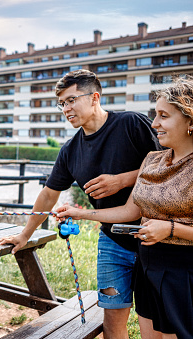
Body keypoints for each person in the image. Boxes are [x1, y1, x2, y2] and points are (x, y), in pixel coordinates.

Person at [0, 69, 161, 338]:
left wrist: (122, 180)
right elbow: (49, 194)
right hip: (112, 242)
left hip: (156, 239)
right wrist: (25, 234)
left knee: (153, 323)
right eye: (62, 103)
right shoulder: (70, 150)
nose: (66, 109)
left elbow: (169, 163)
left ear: (94, 97)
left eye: (71, 100)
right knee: (112, 320)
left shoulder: (131, 123)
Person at [55, 76, 193, 338]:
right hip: (149, 271)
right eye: (155, 115)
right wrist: (80, 213)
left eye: (163, 116)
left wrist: (171, 229)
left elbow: (171, 226)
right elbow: (131, 211)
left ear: (190, 120)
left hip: (184, 275)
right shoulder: (152, 160)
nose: (154, 124)